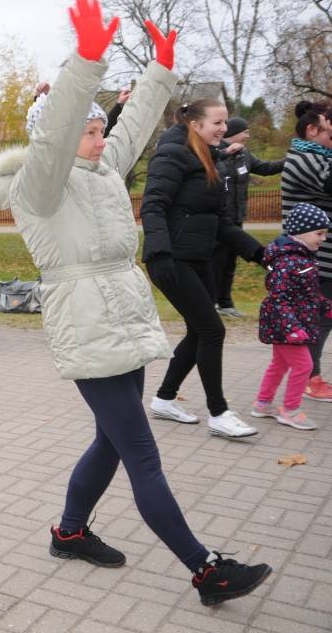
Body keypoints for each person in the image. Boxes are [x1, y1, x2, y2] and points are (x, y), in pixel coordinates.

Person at [0, 0, 271, 606]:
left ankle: (68, 532)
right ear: (58, 138)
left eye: (99, 130)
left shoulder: (100, 170)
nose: (97, 139)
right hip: (87, 326)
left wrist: (159, 74)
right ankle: (205, 570)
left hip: (124, 318)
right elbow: (59, 134)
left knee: (111, 441)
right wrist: (85, 63)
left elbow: (134, 126)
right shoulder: (40, 185)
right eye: (86, 132)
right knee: (140, 449)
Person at [140, 98, 266, 438]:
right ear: (195, 124)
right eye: (218, 123)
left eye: (225, 123)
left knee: (199, 331)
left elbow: (221, 223)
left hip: (199, 257)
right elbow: (153, 205)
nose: (224, 129)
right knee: (212, 330)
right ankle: (219, 412)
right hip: (172, 259)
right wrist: (159, 252)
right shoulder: (171, 156)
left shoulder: (209, 158)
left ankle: (165, 399)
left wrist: (260, 254)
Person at [251, 202, 330, 431]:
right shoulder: (287, 260)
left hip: (290, 324)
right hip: (286, 326)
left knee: (279, 364)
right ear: (301, 232)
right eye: (319, 233)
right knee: (304, 366)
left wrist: (326, 306)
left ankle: (262, 404)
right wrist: (292, 328)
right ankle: (290, 410)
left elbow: (309, 293)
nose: (323, 239)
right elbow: (278, 299)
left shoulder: (302, 256)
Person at [280, 100, 332, 402]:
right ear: (312, 129)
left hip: (322, 254)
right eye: (329, 133)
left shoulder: (318, 156)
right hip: (313, 257)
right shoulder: (302, 159)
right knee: (320, 317)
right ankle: (310, 378)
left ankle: (304, 372)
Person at [213, 117, 285, 318]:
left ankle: (225, 303)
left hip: (236, 219)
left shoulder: (245, 154)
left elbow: (266, 168)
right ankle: (209, 303)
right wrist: (226, 154)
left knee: (229, 263)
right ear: (232, 133)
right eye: (244, 131)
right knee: (214, 262)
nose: (247, 135)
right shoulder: (215, 153)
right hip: (218, 220)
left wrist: (291, 160)